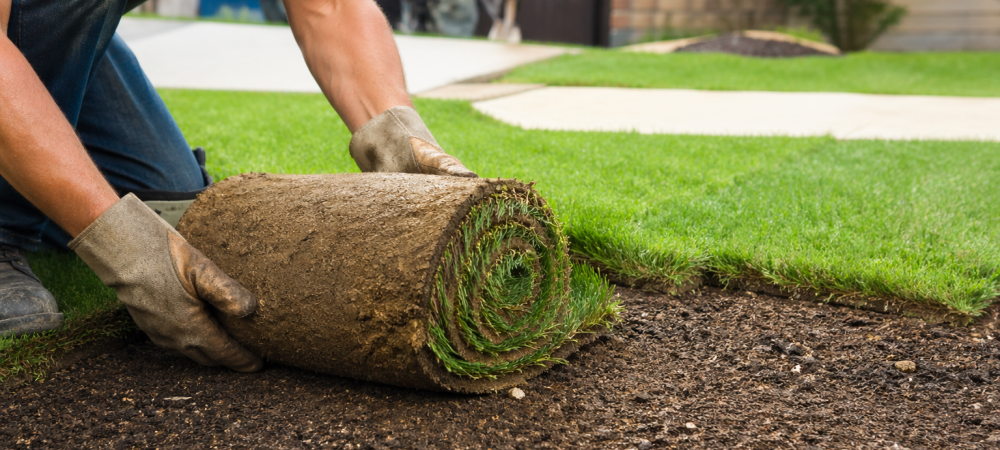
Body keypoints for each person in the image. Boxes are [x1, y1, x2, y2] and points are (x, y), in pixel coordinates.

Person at [0, 0, 475, 372]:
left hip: (57, 31)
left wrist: (394, 132)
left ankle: (59, 94)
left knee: (174, 203)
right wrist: (122, 249)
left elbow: (328, 5)